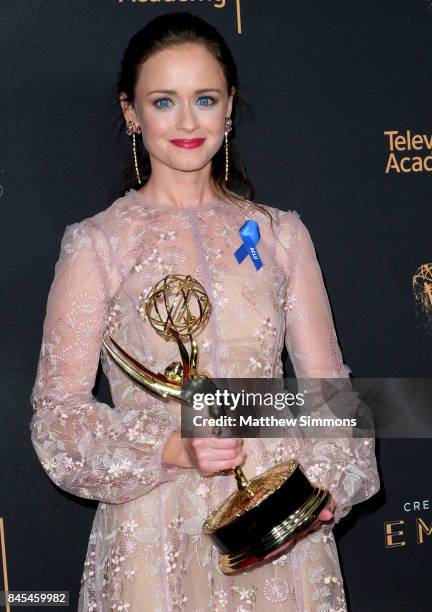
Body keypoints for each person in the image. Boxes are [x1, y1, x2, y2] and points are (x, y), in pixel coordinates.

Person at [29, 12, 380, 611]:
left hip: (278, 529)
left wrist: (322, 492)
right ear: (130, 113)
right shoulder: (98, 244)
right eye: (164, 101)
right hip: (154, 525)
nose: (188, 122)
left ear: (229, 107)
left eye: (205, 99)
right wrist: (172, 448)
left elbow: (329, 391)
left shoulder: (280, 235)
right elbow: (57, 417)